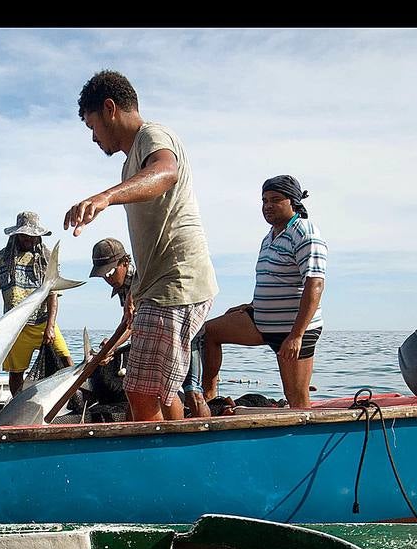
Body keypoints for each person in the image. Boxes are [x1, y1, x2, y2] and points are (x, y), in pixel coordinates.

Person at [64, 70, 218, 422]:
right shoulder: (128, 164)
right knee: (158, 391)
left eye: (92, 126)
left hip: (177, 281)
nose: (92, 138)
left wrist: (105, 197)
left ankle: (163, 467)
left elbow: (167, 171)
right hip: (158, 286)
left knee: (142, 390)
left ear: (110, 109)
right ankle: (178, 455)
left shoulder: (153, 136)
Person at [201, 175, 326, 409]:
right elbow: (275, 279)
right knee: (208, 332)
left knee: (297, 400)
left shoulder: (305, 233)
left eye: (276, 200)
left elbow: (315, 284)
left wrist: (297, 335)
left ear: (294, 202)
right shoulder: (269, 237)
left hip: (293, 330)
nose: (268, 206)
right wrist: (253, 305)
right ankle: (209, 398)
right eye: (264, 200)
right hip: (261, 323)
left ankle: (302, 440)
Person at [89, 236, 210, 418]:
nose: (108, 279)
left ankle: (201, 442)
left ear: (125, 262)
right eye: (103, 275)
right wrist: (111, 346)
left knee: (191, 393)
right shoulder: (122, 284)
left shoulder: (142, 278)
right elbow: (129, 322)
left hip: (185, 332)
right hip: (160, 334)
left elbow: (133, 323)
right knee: (138, 391)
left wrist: (111, 347)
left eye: (111, 272)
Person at [0, 211, 74, 394]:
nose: (28, 239)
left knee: (66, 359)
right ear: (17, 234)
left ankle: (71, 397)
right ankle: (16, 406)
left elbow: (53, 294)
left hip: (42, 321)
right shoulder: (1, 258)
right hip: (15, 326)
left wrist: (50, 326)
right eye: (24, 235)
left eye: (32, 235)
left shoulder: (47, 257)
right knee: (16, 372)